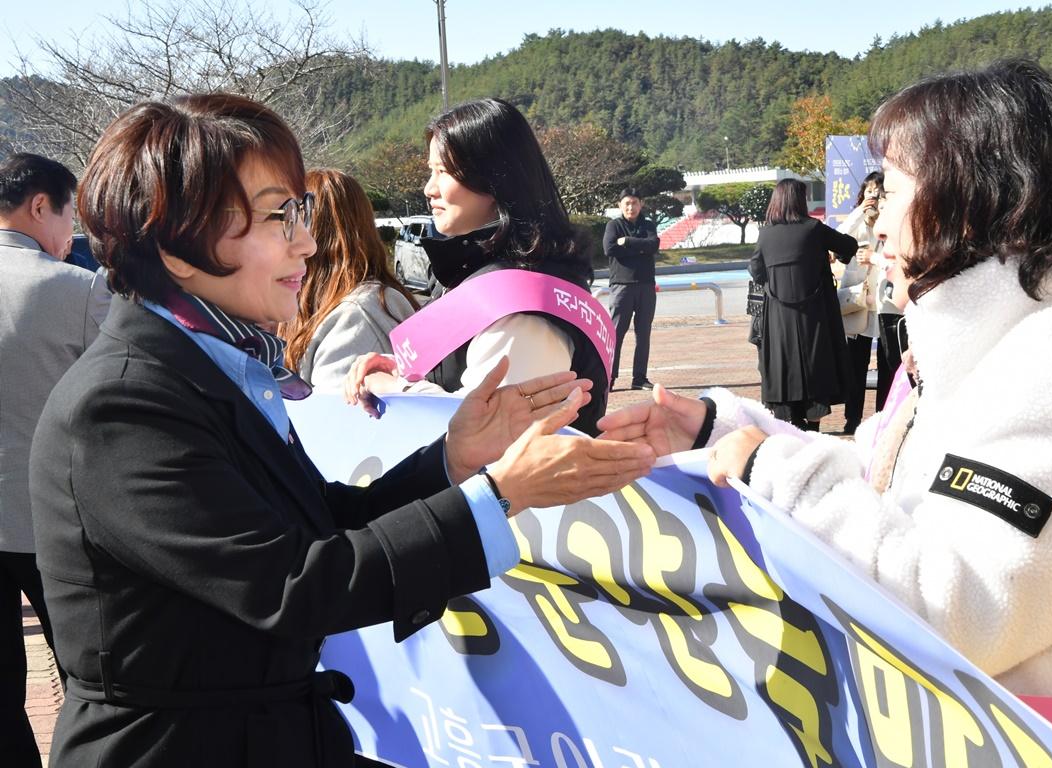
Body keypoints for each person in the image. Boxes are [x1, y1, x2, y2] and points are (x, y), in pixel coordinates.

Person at [28, 93, 653, 768]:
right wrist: (497, 496)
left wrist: (452, 460)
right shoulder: (124, 403)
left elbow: (322, 521)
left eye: (299, 212)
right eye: (278, 216)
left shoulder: (212, 363)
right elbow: (293, 584)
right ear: (178, 247)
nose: (307, 240)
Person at [598, 60, 1052, 705]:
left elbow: (954, 610)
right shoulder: (1001, 346)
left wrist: (769, 469)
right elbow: (894, 484)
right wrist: (731, 433)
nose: (878, 224)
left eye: (891, 190)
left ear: (972, 196)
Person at [345, 98, 611, 435]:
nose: (429, 188)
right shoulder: (487, 277)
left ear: (493, 178)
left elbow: (487, 435)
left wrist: (392, 388)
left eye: (443, 172)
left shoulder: (524, 303)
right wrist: (404, 370)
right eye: (431, 171)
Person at [0, 153, 110, 767]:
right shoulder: (78, 289)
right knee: (90, 680)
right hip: (58, 520)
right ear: (40, 205)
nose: (72, 235)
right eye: (70, 214)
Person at [278, 168, 421, 390]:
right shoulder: (328, 303)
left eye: (293, 218)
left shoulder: (356, 316)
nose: (285, 234)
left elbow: (332, 418)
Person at [749, 178, 858, 431]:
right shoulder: (813, 229)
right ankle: (813, 425)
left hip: (778, 316)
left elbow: (756, 270)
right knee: (815, 363)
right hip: (815, 314)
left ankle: (792, 421)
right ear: (799, 200)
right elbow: (848, 245)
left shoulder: (765, 234)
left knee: (784, 363)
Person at [836, 171, 885, 433]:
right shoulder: (856, 221)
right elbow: (838, 236)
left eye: (878, 193)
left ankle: (882, 417)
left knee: (887, 364)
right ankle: (852, 418)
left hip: (885, 300)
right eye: (869, 193)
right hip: (859, 298)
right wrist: (858, 211)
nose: (873, 198)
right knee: (856, 365)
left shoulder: (890, 216)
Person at [604, 186, 661, 391]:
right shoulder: (614, 225)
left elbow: (653, 245)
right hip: (622, 287)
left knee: (643, 333)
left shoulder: (648, 224)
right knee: (616, 334)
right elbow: (609, 248)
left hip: (646, 286)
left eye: (635, 202)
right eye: (627, 203)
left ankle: (639, 378)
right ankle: (609, 377)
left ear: (641, 204)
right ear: (620, 205)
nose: (631, 206)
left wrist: (627, 242)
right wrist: (641, 248)